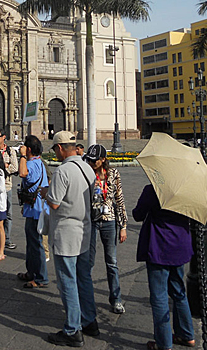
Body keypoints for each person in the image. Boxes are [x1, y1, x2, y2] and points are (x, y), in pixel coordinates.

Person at [43, 131, 98, 346]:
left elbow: (55, 203)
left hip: (66, 232)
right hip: (84, 230)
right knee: (84, 277)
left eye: (55, 150)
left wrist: (45, 192)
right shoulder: (87, 167)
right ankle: (90, 321)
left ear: (59, 148)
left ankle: (72, 330)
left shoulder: (63, 171)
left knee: (67, 281)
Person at [132, 183, 195, 350]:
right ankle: (186, 334)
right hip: (180, 244)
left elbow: (138, 214)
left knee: (159, 297)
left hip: (160, 246)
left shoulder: (153, 189)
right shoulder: (186, 189)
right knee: (178, 291)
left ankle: (163, 344)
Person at [83, 144, 128, 314]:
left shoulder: (114, 174)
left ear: (103, 160)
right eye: (90, 160)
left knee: (112, 262)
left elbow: (120, 199)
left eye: (95, 160)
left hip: (109, 220)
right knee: (89, 261)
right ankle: (86, 299)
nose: (92, 162)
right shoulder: (87, 174)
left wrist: (123, 226)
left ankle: (116, 299)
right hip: (91, 220)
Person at [17, 135, 50, 289]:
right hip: (34, 207)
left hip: (36, 209)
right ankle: (31, 272)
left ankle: (41, 278)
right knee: (31, 244)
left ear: (28, 149)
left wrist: (22, 155)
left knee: (36, 245)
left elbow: (22, 173)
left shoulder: (31, 163)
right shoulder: (39, 162)